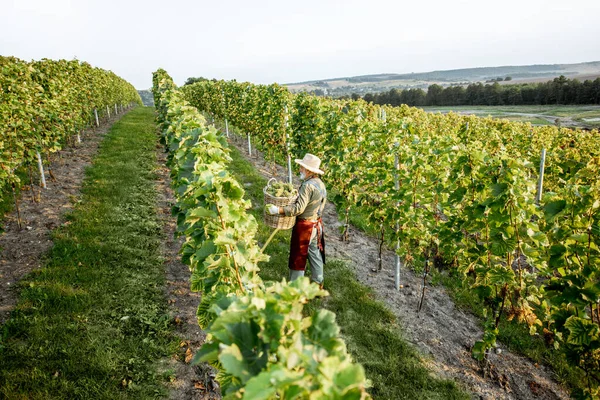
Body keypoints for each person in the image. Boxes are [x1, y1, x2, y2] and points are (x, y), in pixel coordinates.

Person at [266, 154, 327, 288]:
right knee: (314, 253)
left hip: (305, 226)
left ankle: (295, 289)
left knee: (298, 256)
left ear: (309, 170)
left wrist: (279, 210)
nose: (299, 169)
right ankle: (318, 282)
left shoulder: (307, 186)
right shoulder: (320, 184)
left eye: (302, 167)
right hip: (316, 224)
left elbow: (299, 208)